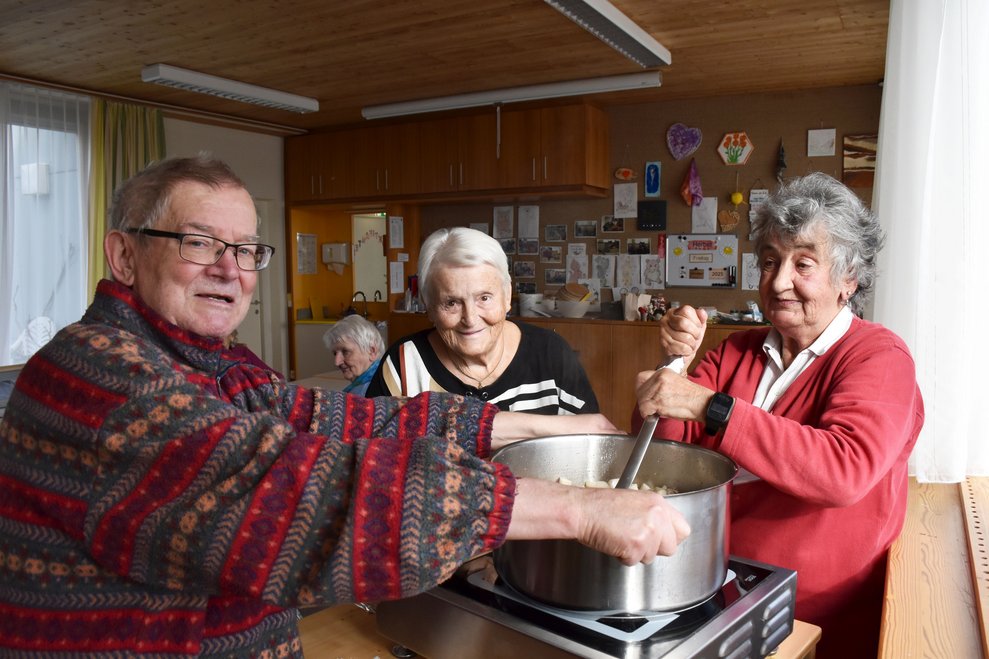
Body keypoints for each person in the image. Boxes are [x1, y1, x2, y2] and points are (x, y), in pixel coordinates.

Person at [0, 155, 690, 657]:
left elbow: (341, 421)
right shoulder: (98, 372)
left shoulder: (219, 362)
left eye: (244, 249)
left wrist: (551, 425)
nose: (229, 270)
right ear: (123, 254)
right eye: (199, 243)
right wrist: (577, 507)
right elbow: (295, 489)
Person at [633, 172, 924, 659]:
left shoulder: (880, 357)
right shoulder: (737, 350)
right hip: (710, 588)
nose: (780, 280)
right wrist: (674, 365)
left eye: (803, 263)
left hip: (814, 615)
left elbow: (842, 471)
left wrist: (711, 406)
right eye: (770, 261)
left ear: (848, 279)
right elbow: (663, 460)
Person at [365, 227, 597, 415]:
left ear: (507, 296)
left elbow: (590, 444)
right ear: (429, 306)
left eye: (484, 298)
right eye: (452, 303)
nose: (470, 319)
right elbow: (374, 457)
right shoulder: (404, 364)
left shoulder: (550, 354)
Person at [322, 314, 385, 395]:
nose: (337, 362)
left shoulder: (366, 393)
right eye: (335, 353)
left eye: (346, 352)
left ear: (372, 351)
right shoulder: (384, 380)